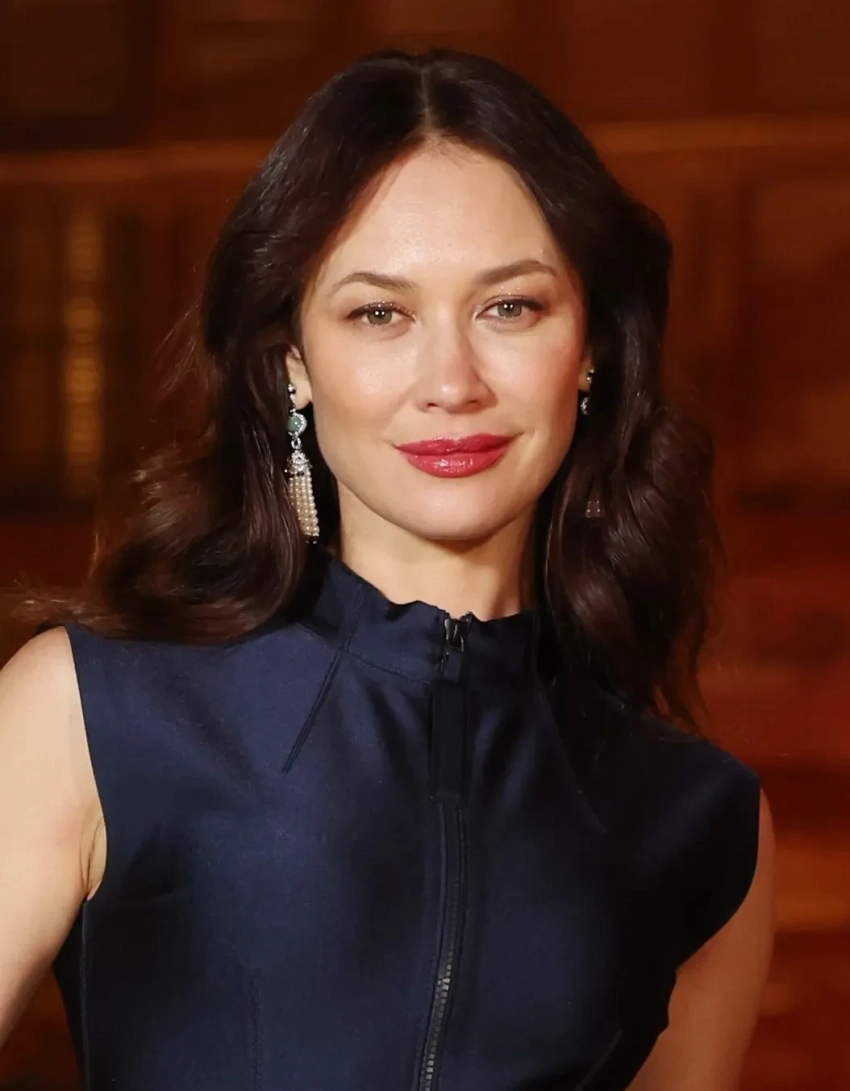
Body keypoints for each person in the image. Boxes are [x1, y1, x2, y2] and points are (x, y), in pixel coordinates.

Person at [0, 47, 774, 1091]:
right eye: (379, 313)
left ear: (590, 343)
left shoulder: (702, 820)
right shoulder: (89, 717)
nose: (451, 381)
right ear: (292, 361)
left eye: (510, 306)